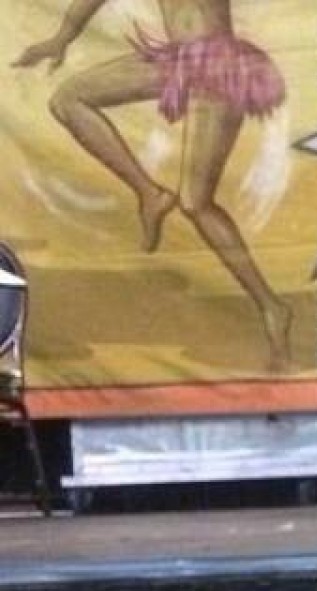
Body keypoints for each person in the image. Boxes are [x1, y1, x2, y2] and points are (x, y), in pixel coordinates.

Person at [12, 0, 293, 372]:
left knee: (195, 202)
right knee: (68, 99)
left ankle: (272, 306)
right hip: (176, 60)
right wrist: (61, 38)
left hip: (216, 65)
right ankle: (149, 193)